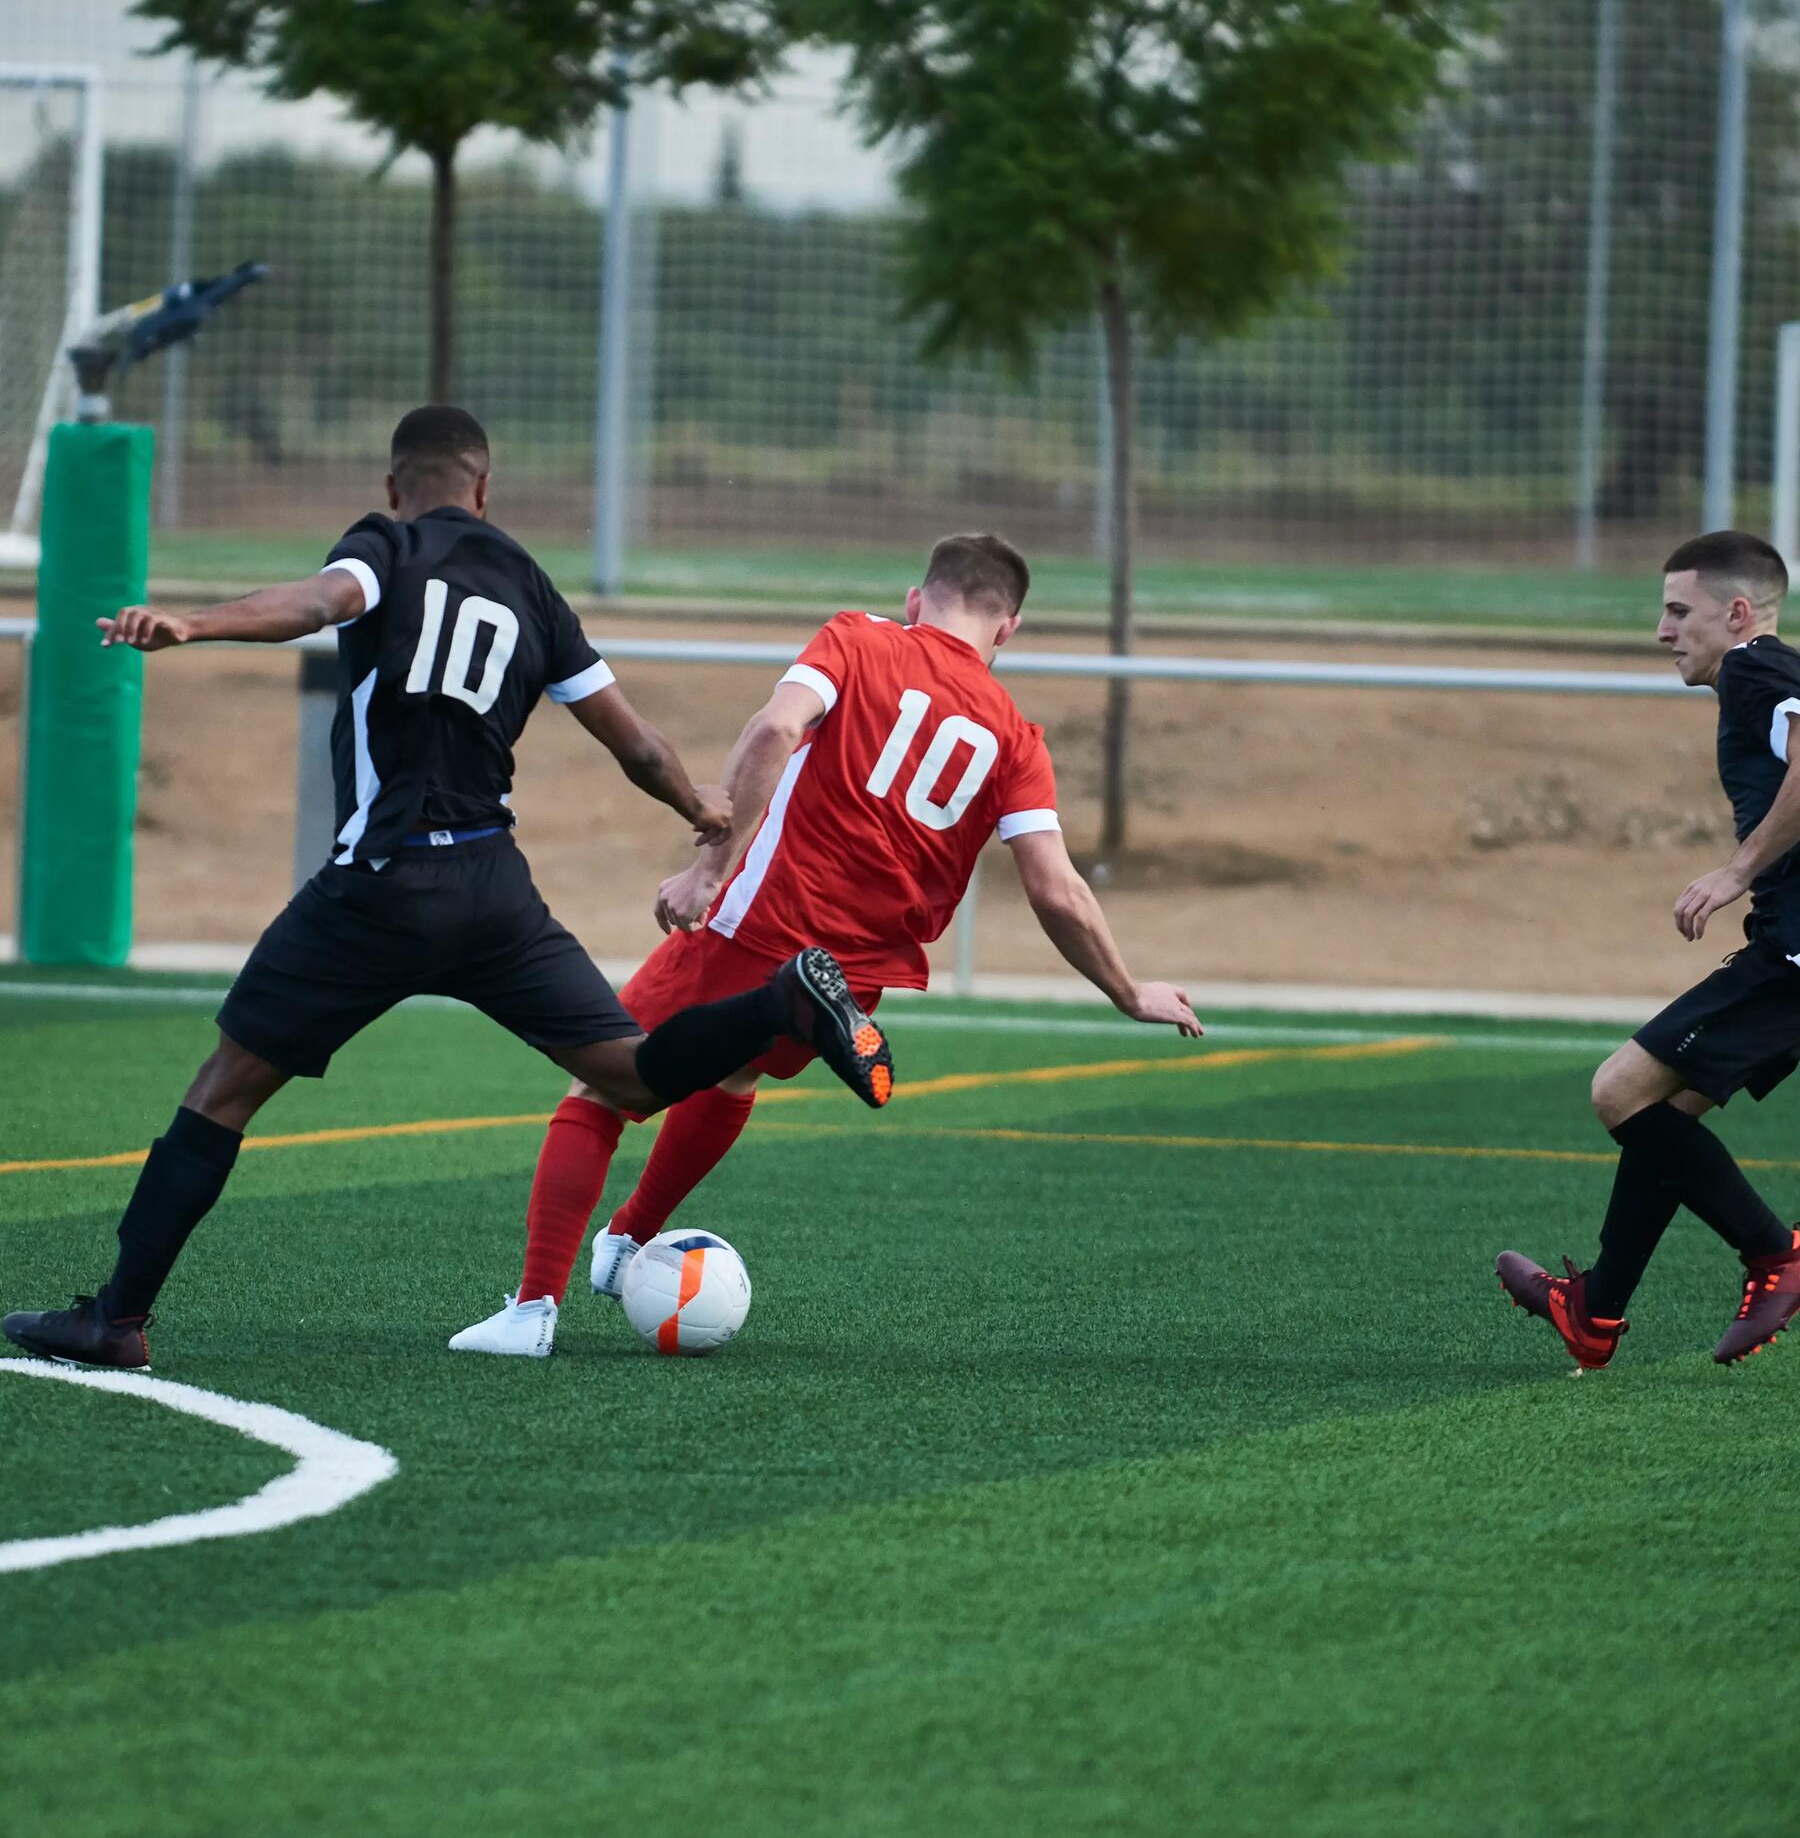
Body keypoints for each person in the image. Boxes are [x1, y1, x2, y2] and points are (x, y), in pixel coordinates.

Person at [3, 405, 891, 1371]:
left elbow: (317, 604)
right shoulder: (531, 587)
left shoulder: (385, 546)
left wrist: (193, 622)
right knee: (631, 1077)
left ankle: (118, 1318)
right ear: (486, 488)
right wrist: (704, 808)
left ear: (394, 487)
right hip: (491, 889)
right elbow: (636, 743)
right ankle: (783, 1004)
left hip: (380, 885)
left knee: (223, 1092)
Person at [451, 530, 1200, 1357]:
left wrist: (707, 868)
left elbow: (775, 730)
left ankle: (530, 1312)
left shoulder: (860, 638)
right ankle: (627, 1240)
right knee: (730, 1072)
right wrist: (1129, 990)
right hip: (854, 975)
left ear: (918, 601)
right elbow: (1056, 887)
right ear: (1009, 629)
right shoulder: (1017, 740)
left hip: (763, 922)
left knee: (599, 1087)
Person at [1498, 529, 1800, 1370]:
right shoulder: (1771, 674)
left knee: (1618, 1091)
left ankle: (1776, 1254)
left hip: (1794, 952)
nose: (1664, 631)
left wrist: (1739, 868)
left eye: (1678, 611)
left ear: (1737, 613)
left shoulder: (1754, 668)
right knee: (1663, 1120)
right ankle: (1593, 1311)